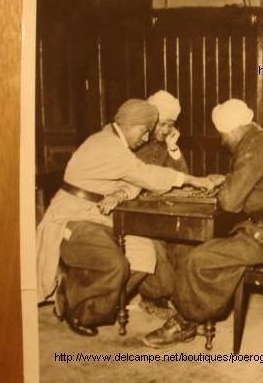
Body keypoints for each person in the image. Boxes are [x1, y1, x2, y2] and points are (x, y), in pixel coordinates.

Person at [35, 98, 217, 337]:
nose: (145, 139)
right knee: (116, 265)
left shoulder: (114, 143)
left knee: (144, 255)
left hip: (98, 214)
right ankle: (79, 309)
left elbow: (132, 182)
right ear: (134, 126)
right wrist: (194, 180)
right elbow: (144, 174)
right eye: (144, 133)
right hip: (73, 217)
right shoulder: (107, 145)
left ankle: (80, 289)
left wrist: (121, 192)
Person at [142, 99, 263, 347]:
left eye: (222, 135)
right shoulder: (261, 140)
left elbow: (229, 203)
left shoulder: (252, 147)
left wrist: (227, 187)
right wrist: (230, 178)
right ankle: (192, 310)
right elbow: (257, 180)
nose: (222, 141)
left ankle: (186, 321)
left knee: (197, 258)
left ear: (232, 130)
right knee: (209, 249)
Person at [133, 90, 190, 317]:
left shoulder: (164, 143)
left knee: (185, 241)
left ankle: (179, 294)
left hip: (155, 209)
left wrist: (173, 148)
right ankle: (155, 295)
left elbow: (183, 179)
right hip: (132, 210)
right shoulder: (134, 141)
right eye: (163, 124)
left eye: (171, 125)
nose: (166, 130)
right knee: (157, 246)